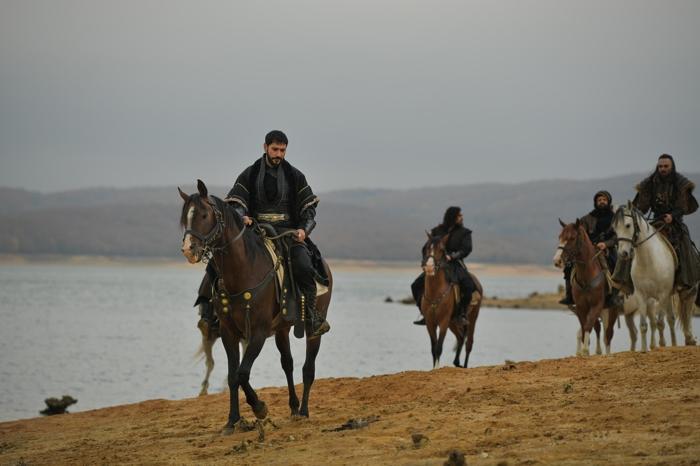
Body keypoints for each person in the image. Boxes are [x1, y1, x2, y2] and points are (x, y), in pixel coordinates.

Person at [196, 130, 330, 339]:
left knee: (305, 264)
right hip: (255, 232)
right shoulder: (249, 173)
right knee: (218, 260)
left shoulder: (296, 176)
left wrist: (304, 230)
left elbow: (309, 210)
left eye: (282, 150)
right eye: (275, 149)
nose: (278, 154)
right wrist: (243, 216)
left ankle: (312, 318)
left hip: (288, 233)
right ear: (265, 147)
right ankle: (208, 313)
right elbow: (236, 204)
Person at [633, 154, 700, 291]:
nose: (662, 169)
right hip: (655, 222)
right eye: (660, 166)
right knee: (632, 243)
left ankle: (686, 281)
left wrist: (672, 216)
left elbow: (683, 206)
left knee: (685, 246)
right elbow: (642, 207)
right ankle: (624, 281)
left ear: (672, 166)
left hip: (675, 223)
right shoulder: (649, 183)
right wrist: (636, 213)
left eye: (665, 166)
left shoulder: (680, 183)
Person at [411, 206, 476, 326]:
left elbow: (467, 249)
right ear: (453, 217)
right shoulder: (437, 231)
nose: (462, 217)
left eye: (461, 215)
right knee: (415, 285)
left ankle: (461, 315)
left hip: (455, 264)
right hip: (436, 265)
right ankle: (424, 313)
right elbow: (426, 247)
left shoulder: (465, 233)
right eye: (459, 215)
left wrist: (453, 256)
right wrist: (426, 261)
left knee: (469, 285)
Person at [559, 190, 621, 307]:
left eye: (604, 200)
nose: (601, 202)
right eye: (599, 200)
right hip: (589, 249)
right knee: (569, 265)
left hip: (607, 249)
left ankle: (614, 297)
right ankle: (569, 295)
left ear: (608, 202)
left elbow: (617, 236)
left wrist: (606, 244)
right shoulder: (587, 218)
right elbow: (579, 233)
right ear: (595, 202)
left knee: (617, 264)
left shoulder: (615, 219)